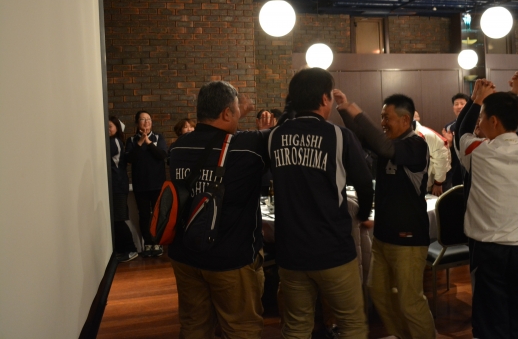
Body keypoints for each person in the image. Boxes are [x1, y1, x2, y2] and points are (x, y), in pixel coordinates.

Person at [268, 68, 373, 339]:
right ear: (325, 99)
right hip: (332, 249)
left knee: (296, 327)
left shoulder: (274, 137)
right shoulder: (339, 136)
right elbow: (364, 183)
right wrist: (362, 214)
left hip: (290, 252)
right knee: (352, 324)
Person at [168, 82, 272, 339]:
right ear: (227, 113)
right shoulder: (247, 146)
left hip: (185, 254)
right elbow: (284, 130)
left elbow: (214, 139)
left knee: (193, 326)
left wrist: (236, 112)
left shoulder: (178, 147)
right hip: (230, 259)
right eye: (235, 110)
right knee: (241, 329)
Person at [454, 75, 518, 339]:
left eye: (482, 117)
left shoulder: (477, 151)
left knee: (490, 320)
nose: (479, 122)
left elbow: (461, 132)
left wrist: (477, 99)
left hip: (488, 250)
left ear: (493, 121)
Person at [335, 91, 436, 339]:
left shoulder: (416, 145)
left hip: (409, 238)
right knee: (378, 291)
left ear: (405, 119)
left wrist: (357, 111)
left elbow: (382, 146)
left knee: (410, 301)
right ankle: (402, 335)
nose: (382, 123)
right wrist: (344, 109)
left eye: (386, 117)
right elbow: (360, 138)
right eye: (381, 117)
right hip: (383, 236)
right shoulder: (389, 144)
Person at [125, 111, 167, 258]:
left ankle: (157, 242)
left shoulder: (158, 137)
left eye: (148, 119)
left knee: (157, 215)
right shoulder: (131, 140)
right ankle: (148, 243)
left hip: (157, 184)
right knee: (143, 215)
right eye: (143, 119)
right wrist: (140, 142)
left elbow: (162, 155)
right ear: (137, 123)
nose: (146, 122)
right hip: (140, 185)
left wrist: (148, 142)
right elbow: (130, 158)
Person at [109, 116, 138, 263]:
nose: (107, 129)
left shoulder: (114, 142)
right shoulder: (111, 142)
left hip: (118, 186)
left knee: (119, 219)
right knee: (115, 220)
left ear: (117, 128)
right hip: (115, 186)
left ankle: (131, 250)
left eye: (110, 126)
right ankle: (121, 250)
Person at [413, 111, 450, 196]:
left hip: (436, 179)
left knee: (437, 201)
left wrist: (438, 183)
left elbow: (442, 159)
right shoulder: (407, 134)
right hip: (422, 179)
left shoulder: (425, 134)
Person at [441, 93, 470, 190]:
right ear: (453, 108)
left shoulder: (475, 124)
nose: (459, 106)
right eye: (456, 104)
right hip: (455, 166)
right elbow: (444, 151)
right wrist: (449, 144)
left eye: (462, 103)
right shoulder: (449, 127)